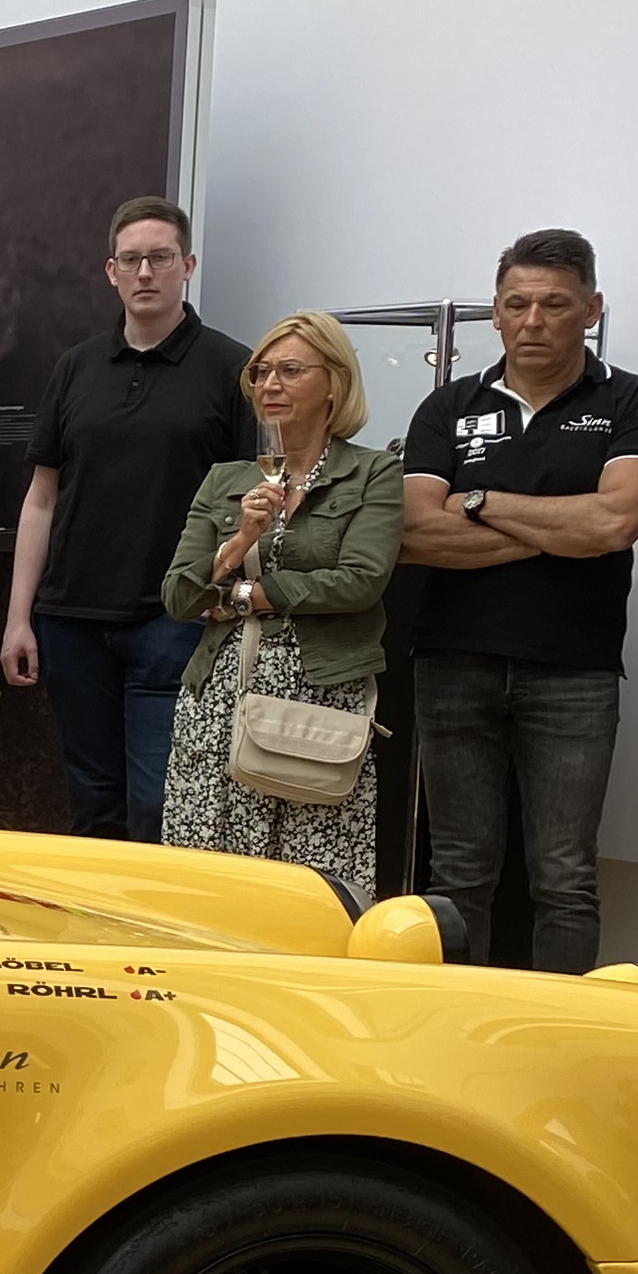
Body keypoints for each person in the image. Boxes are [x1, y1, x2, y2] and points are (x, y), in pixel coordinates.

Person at [398, 229, 638, 972]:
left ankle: (559, 1031)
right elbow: (414, 533)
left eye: (554, 304)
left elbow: (615, 523)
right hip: (453, 659)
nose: (533, 321)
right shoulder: (447, 405)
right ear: (494, 312)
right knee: (457, 875)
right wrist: (564, 528)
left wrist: (480, 500)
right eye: (516, 304)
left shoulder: (635, 400)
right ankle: (454, 1025)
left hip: (573, 669)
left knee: (564, 876)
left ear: (591, 309)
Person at [0, 196, 254, 841]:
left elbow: (250, 506)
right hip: (72, 622)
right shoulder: (76, 366)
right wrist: (19, 617)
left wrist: (220, 598)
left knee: (159, 807)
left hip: (174, 620)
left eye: (160, 258)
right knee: (92, 804)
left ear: (187, 266)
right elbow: (41, 499)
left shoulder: (233, 368)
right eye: (131, 259)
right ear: (110, 271)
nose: (145, 272)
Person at [158, 313, 406, 897]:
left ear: (334, 383)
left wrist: (246, 595)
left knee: (313, 877)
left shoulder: (373, 472)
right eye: (261, 372)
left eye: (291, 371)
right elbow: (178, 596)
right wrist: (241, 539)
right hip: (222, 695)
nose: (269, 384)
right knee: (211, 878)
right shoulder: (225, 479)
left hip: (321, 692)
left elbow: (359, 582)